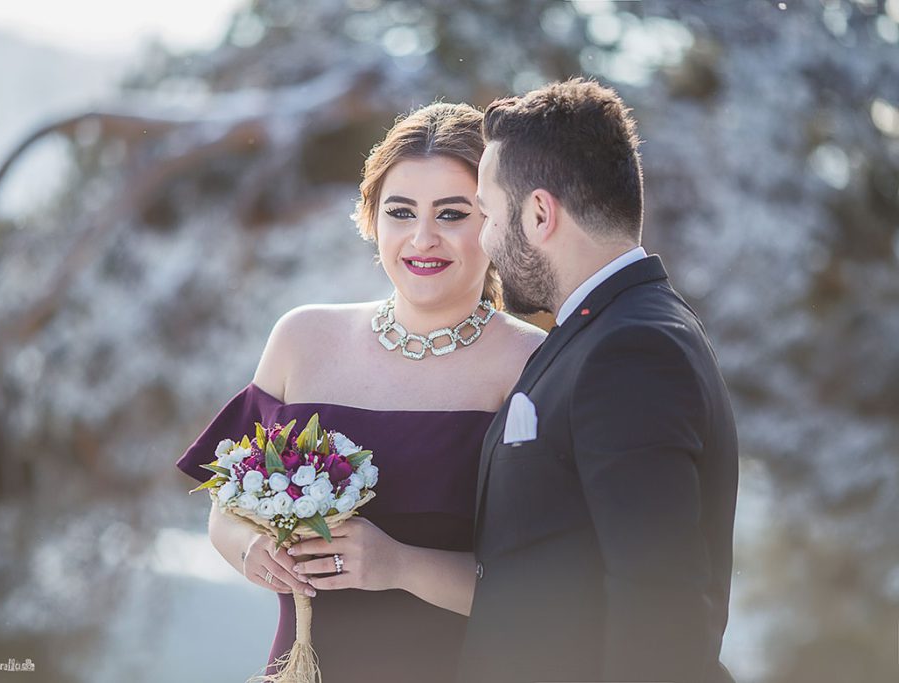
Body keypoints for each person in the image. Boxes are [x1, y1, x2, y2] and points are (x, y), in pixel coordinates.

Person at [176, 102, 546, 682]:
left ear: (497, 223)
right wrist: (250, 549)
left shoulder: (535, 365)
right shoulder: (303, 338)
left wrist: (399, 564)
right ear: (372, 219)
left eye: (453, 214)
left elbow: (546, 591)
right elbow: (225, 508)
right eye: (401, 212)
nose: (423, 238)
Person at [460, 78, 739, 683]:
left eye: (486, 213)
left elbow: (660, 599)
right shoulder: (606, 329)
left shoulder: (631, 349)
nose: (483, 239)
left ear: (539, 213)